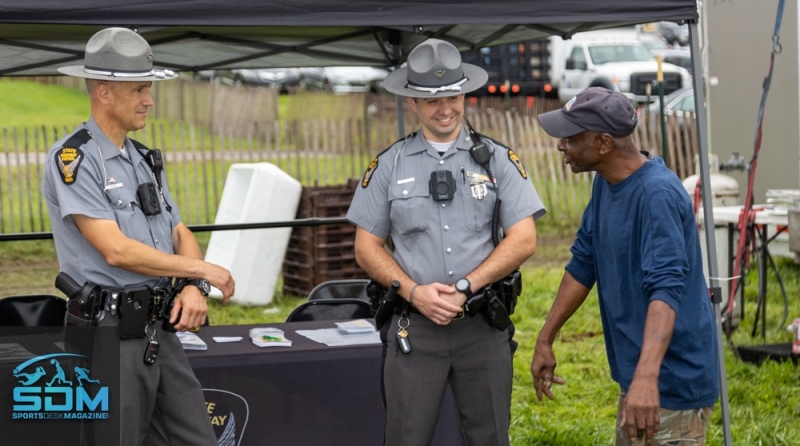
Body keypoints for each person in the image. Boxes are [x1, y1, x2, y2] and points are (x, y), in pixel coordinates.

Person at [347, 38, 545, 446]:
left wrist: (465, 287)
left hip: (481, 326)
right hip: (414, 330)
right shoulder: (388, 165)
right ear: (413, 103)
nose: (445, 108)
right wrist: (415, 292)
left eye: (453, 96)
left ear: (465, 96)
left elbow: (524, 240)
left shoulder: (496, 160)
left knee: (489, 437)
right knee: (405, 437)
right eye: (432, 100)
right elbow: (366, 247)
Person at [43, 27, 235, 446]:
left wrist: (192, 286)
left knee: (197, 437)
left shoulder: (144, 160)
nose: (149, 100)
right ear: (104, 94)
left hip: (158, 327)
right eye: (138, 90)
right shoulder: (74, 159)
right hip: (107, 331)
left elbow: (178, 230)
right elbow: (115, 249)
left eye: (148, 89)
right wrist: (203, 268)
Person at [530, 87, 719, 445]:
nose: (561, 146)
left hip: (670, 383)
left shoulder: (656, 195)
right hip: (640, 378)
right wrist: (545, 337)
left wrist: (647, 381)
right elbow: (584, 262)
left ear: (603, 143)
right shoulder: (607, 183)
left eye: (570, 138)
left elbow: (666, 288)